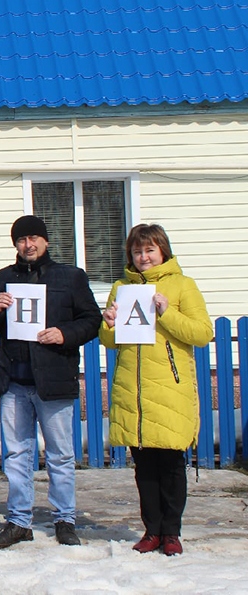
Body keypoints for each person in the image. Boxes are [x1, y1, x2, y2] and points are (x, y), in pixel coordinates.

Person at [0, 215, 101, 548]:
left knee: (59, 454)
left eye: (33, 238)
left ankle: (64, 519)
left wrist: (64, 333)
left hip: (54, 378)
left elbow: (92, 320)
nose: (27, 245)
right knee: (16, 454)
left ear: (45, 240)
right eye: (20, 240)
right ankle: (19, 521)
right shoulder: (1, 279)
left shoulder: (70, 277)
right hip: (14, 381)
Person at [99, 224, 212, 557]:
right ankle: (152, 530)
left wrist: (166, 312)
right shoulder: (122, 287)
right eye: (137, 251)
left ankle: (172, 532)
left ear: (163, 250)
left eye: (149, 250)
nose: (143, 257)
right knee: (144, 465)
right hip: (132, 389)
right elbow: (109, 341)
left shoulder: (182, 286)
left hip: (169, 388)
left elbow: (201, 332)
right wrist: (107, 323)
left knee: (171, 463)